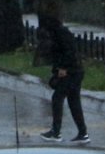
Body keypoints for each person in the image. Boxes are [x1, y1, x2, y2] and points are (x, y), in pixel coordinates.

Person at [35, 16, 88, 144]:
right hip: (75, 71)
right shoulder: (60, 33)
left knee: (58, 98)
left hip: (70, 72)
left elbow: (68, 52)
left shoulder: (60, 34)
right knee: (73, 102)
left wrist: (63, 68)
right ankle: (82, 132)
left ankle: (56, 132)